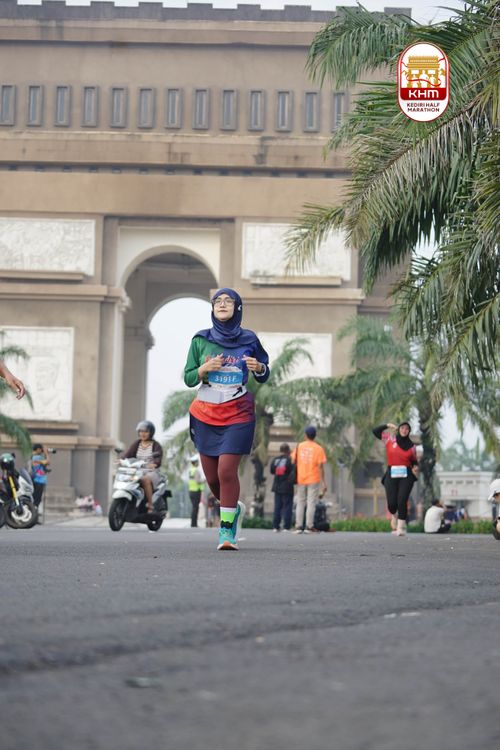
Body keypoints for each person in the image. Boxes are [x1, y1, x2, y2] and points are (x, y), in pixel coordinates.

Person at [183, 287, 270, 550]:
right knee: (212, 479)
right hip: (205, 414)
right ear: (212, 308)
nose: (222, 304)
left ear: (237, 307)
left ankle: (226, 532)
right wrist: (203, 369)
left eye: (228, 301)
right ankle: (233, 509)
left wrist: (259, 367)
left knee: (226, 471)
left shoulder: (249, 338)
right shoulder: (200, 340)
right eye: (217, 301)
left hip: (238, 412)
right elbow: (188, 378)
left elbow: (264, 372)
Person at [372, 421, 419, 537]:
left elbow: (414, 461)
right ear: (399, 429)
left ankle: (401, 528)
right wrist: (387, 425)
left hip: (406, 476)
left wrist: (415, 467)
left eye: (407, 429)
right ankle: (394, 515)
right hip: (391, 474)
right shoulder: (389, 439)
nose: (404, 430)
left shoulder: (412, 447)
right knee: (392, 504)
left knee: (402, 500)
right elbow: (375, 431)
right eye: (402, 428)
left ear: (409, 431)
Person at [292, 425, 327, 534]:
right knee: (311, 502)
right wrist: (323, 482)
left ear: (305, 435)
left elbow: (293, 460)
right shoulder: (319, 448)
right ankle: (309, 526)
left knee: (300, 502)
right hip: (313, 478)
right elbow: (321, 467)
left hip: (301, 478)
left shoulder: (299, 446)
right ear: (315, 436)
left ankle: (298, 526)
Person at [122, 420, 163, 513]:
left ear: (151, 432)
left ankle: (150, 505)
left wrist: (154, 463)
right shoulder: (137, 444)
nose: (142, 434)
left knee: (145, 479)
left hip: (151, 471)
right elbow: (128, 454)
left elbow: (158, 458)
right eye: (141, 431)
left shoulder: (156, 445)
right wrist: (121, 459)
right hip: (137, 471)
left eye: (145, 431)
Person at [270, 443, 295, 532]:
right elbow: (293, 471)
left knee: (277, 507)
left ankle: (275, 526)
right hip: (287, 486)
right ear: (288, 450)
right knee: (287, 506)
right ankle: (286, 526)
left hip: (277, 486)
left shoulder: (275, 459)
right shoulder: (290, 460)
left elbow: (272, 471)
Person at [30, 443, 51, 508]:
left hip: (38, 480)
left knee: (36, 498)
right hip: (38, 480)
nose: (42, 450)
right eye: (41, 449)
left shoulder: (35, 457)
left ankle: (34, 509)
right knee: (37, 498)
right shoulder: (36, 457)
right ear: (38, 449)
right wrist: (46, 453)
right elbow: (48, 462)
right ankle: (34, 509)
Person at [188, 455, 205, 527]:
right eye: (197, 462)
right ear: (195, 463)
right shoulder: (196, 470)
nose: (198, 463)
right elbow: (197, 481)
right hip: (196, 491)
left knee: (194, 507)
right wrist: (204, 480)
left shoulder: (190, 470)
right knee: (195, 508)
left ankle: (193, 523)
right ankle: (194, 524)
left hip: (191, 491)